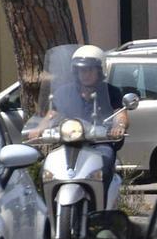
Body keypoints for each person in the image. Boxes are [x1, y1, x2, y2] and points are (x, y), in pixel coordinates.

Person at [28, 45, 129, 202]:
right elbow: (52, 114)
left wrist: (119, 126)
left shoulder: (111, 91)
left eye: (90, 70)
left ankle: (101, 206)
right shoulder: (63, 92)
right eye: (81, 70)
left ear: (99, 71)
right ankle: (49, 208)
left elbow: (120, 113)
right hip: (70, 143)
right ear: (75, 71)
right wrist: (39, 128)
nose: (85, 74)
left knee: (106, 161)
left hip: (99, 142)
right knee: (47, 169)